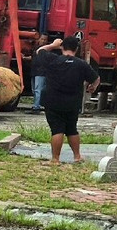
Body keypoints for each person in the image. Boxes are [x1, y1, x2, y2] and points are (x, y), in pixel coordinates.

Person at [35, 36, 100, 164]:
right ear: (76, 49)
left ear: (62, 47)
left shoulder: (53, 60)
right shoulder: (81, 64)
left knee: (57, 129)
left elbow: (39, 51)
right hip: (72, 102)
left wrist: (53, 45)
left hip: (53, 101)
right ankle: (77, 157)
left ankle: (55, 159)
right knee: (71, 129)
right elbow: (96, 78)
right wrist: (93, 87)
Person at [29, 35, 48, 113]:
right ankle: (36, 105)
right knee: (34, 90)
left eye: (45, 39)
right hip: (34, 71)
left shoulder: (46, 50)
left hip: (41, 72)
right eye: (42, 39)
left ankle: (36, 107)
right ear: (39, 39)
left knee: (38, 90)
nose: (43, 41)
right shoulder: (36, 49)